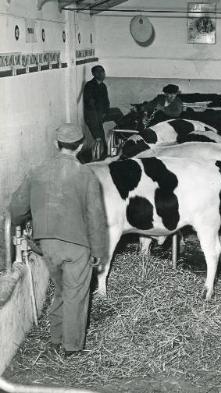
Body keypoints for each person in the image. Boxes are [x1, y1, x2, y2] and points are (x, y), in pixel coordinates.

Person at [9, 123, 108, 357]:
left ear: (56, 144)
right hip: (77, 245)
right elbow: (95, 216)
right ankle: (71, 347)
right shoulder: (86, 174)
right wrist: (98, 250)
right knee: (76, 293)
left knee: (63, 290)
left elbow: (16, 210)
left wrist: (29, 221)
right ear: (82, 146)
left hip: (47, 245)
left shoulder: (36, 171)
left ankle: (55, 338)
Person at [83, 65, 123, 160]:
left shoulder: (103, 85)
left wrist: (105, 112)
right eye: (98, 72)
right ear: (93, 74)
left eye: (102, 71)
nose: (101, 74)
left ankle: (122, 132)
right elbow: (90, 103)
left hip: (102, 113)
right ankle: (104, 152)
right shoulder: (89, 85)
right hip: (93, 116)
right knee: (99, 134)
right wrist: (100, 114)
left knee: (117, 112)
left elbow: (106, 102)